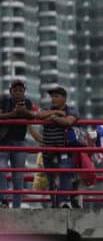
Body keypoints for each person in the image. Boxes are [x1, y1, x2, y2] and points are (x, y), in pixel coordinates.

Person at [37, 86, 79, 208]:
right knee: (51, 180)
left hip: (64, 149)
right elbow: (38, 115)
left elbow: (69, 122)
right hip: (48, 150)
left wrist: (53, 118)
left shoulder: (71, 110)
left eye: (56, 96)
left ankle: (64, 202)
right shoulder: (47, 109)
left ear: (64, 98)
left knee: (65, 172)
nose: (53, 99)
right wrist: (56, 113)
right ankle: (55, 204)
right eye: (52, 96)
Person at [0, 79, 37, 208]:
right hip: (3, 142)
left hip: (20, 142)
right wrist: (14, 114)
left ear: (24, 92)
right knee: (2, 170)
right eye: (15, 90)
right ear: (10, 92)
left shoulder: (27, 103)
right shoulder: (4, 100)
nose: (18, 93)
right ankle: (3, 201)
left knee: (18, 176)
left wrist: (23, 112)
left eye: (21, 90)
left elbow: (33, 116)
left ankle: (17, 207)